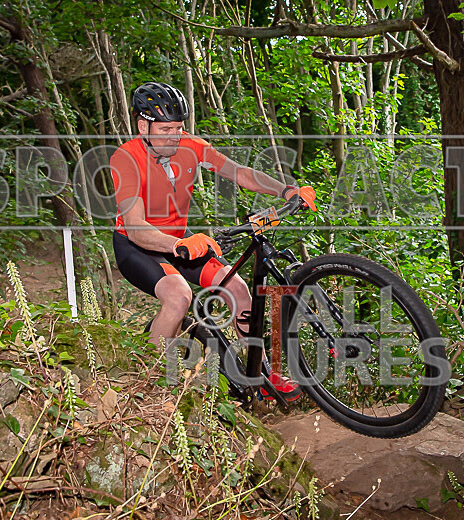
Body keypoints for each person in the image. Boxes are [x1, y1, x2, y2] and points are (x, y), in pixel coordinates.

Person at [110, 81, 316, 401]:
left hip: (180, 240)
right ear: (143, 126)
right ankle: (151, 388)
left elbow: (240, 173)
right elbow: (136, 226)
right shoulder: (126, 159)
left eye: (178, 128)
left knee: (238, 289)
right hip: (137, 246)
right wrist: (174, 245)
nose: (174, 136)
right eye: (165, 129)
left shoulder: (191, 146)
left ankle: (259, 371)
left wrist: (286, 190)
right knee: (178, 297)